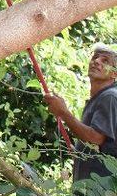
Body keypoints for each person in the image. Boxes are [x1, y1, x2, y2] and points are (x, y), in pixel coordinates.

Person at [45, 44, 117, 187]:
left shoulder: (109, 97)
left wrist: (63, 112)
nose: (97, 61)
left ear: (115, 74)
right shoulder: (101, 97)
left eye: (105, 61)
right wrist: (79, 150)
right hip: (93, 194)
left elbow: (95, 138)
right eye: (95, 57)